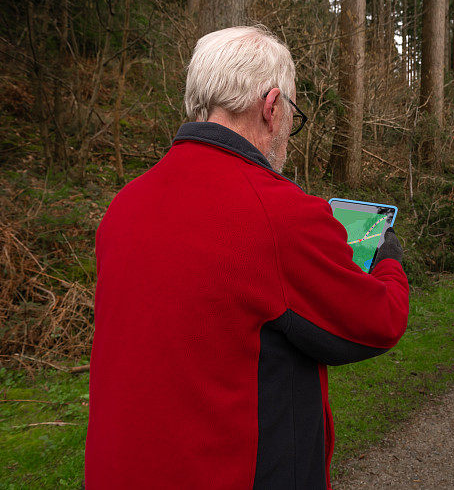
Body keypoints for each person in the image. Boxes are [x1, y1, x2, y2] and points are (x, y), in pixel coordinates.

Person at [84, 25, 410, 489]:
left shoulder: (125, 205)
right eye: (292, 115)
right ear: (272, 107)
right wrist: (388, 258)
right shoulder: (282, 213)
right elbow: (377, 320)